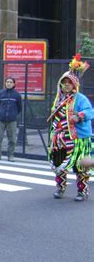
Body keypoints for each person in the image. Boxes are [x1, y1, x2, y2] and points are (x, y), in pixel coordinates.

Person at [48, 55, 92, 201]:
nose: (66, 85)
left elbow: (90, 111)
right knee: (59, 165)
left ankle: (82, 191)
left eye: (69, 83)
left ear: (74, 85)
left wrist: (79, 116)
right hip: (60, 138)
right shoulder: (58, 99)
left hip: (77, 138)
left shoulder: (80, 98)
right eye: (64, 83)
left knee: (80, 167)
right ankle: (60, 189)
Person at [0, 77, 22, 161]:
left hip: (12, 120)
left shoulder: (17, 95)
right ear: (5, 83)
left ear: (14, 84)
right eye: (7, 82)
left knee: (12, 139)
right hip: (0, 119)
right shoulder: (0, 93)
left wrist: (13, 114)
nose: (8, 83)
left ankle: (10, 156)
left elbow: (19, 108)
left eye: (10, 82)